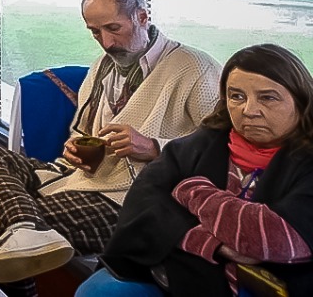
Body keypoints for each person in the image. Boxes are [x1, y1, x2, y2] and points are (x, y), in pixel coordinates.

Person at [0, 0, 221, 287]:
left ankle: (23, 230)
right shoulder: (103, 66)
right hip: (81, 175)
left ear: (142, 17)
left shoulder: (194, 68)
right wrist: (74, 148)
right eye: (95, 32)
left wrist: (154, 147)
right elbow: (81, 130)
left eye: (114, 28)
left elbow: (220, 150)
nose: (107, 42)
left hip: (133, 199)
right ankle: (23, 228)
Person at [86, 44, 313, 297]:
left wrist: (194, 190)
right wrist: (214, 243)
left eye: (268, 98)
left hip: (276, 286)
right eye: (237, 96)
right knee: (98, 291)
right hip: (185, 270)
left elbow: (279, 240)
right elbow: (142, 206)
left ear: (300, 99)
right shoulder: (203, 143)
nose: (249, 110)